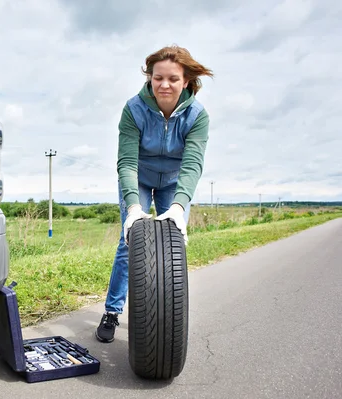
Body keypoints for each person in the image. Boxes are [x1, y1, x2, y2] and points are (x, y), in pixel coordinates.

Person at [95, 45, 213, 343]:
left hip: (174, 181)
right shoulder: (134, 109)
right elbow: (127, 162)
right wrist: (134, 208)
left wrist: (178, 206)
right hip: (139, 177)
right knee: (129, 243)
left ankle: (168, 313)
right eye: (158, 77)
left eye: (173, 78)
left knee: (174, 241)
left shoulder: (197, 116)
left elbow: (192, 164)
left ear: (185, 81)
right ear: (150, 78)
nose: (164, 84)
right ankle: (112, 311)